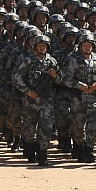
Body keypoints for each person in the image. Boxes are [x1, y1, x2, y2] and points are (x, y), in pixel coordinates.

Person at [62, 31, 96, 164]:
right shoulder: (74, 60)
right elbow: (65, 77)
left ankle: (89, 149)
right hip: (78, 99)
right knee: (78, 126)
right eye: (84, 45)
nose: (87, 47)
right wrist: (78, 85)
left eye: (89, 45)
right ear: (80, 46)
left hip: (94, 99)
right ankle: (78, 145)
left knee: (94, 126)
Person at [15, 33, 59, 166]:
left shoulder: (52, 62)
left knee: (46, 127)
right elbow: (16, 77)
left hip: (47, 100)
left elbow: (60, 80)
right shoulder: (28, 61)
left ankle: (43, 153)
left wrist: (55, 75)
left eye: (44, 46)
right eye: (39, 45)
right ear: (35, 47)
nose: (41, 48)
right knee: (29, 128)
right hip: (31, 100)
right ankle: (30, 147)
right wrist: (28, 91)